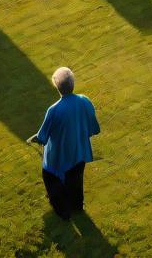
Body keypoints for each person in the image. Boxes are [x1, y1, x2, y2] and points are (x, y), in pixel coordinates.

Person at [26, 67, 100, 222]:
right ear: (72, 83)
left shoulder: (54, 110)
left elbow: (43, 136)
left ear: (57, 86)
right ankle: (77, 206)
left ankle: (63, 211)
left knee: (52, 180)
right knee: (76, 180)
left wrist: (35, 138)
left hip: (59, 158)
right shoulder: (84, 101)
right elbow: (94, 127)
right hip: (79, 153)